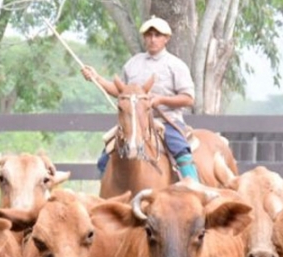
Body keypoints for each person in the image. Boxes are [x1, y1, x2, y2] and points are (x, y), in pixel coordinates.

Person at [81, 16, 199, 181]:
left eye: (157, 35)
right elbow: (120, 91)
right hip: (134, 122)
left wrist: (160, 100)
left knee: (181, 152)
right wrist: (96, 78)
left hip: (166, 121)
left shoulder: (176, 65)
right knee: (105, 157)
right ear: (144, 38)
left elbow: (188, 98)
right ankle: (105, 196)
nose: (152, 39)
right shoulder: (132, 64)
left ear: (166, 39)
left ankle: (194, 189)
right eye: (148, 35)